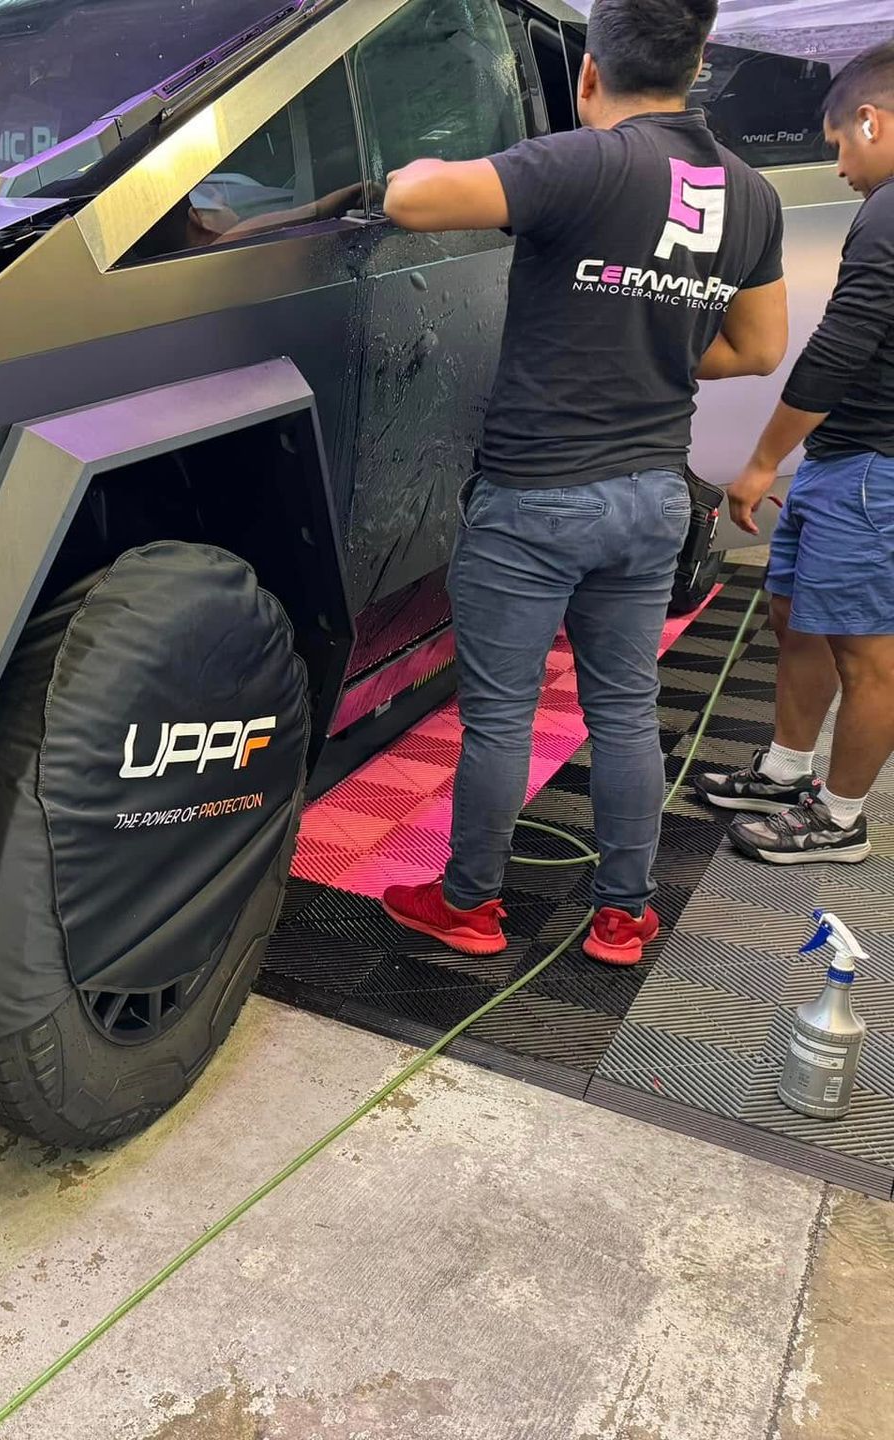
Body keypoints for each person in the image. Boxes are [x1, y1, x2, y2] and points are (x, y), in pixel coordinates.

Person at [375, 0, 789, 966]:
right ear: (699, 61)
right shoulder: (751, 193)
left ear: (590, 72)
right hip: (651, 498)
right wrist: (653, 345)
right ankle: (622, 916)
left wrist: (412, 164)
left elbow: (410, 199)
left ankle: (470, 906)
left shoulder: (581, 162)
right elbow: (759, 347)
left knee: (501, 717)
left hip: (536, 497)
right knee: (624, 709)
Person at [693, 43, 894, 866]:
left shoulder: (888, 209)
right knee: (796, 613)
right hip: (847, 458)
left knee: (866, 650)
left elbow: (841, 345)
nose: (838, 166)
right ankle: (786, 771)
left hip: (873, 469)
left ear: (871, 120)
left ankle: (840, 821)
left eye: (838, 143)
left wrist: (760, 461)